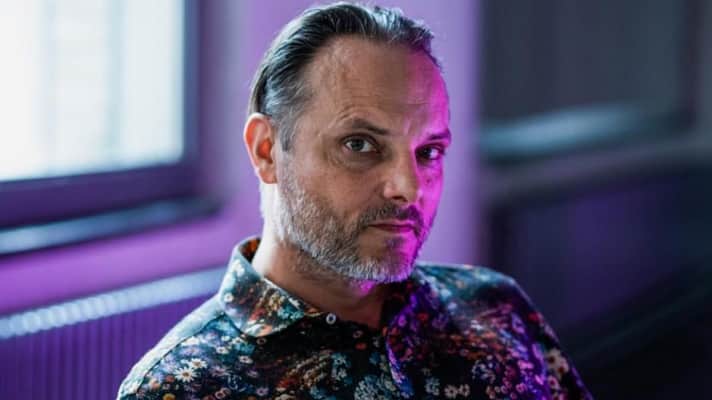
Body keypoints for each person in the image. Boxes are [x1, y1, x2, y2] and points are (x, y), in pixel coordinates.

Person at [118, 3, 592, 399]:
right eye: (360, 145)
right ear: (267, 151)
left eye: (428, 152)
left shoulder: (494, 306)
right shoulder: (185, 387)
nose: (409, 187)